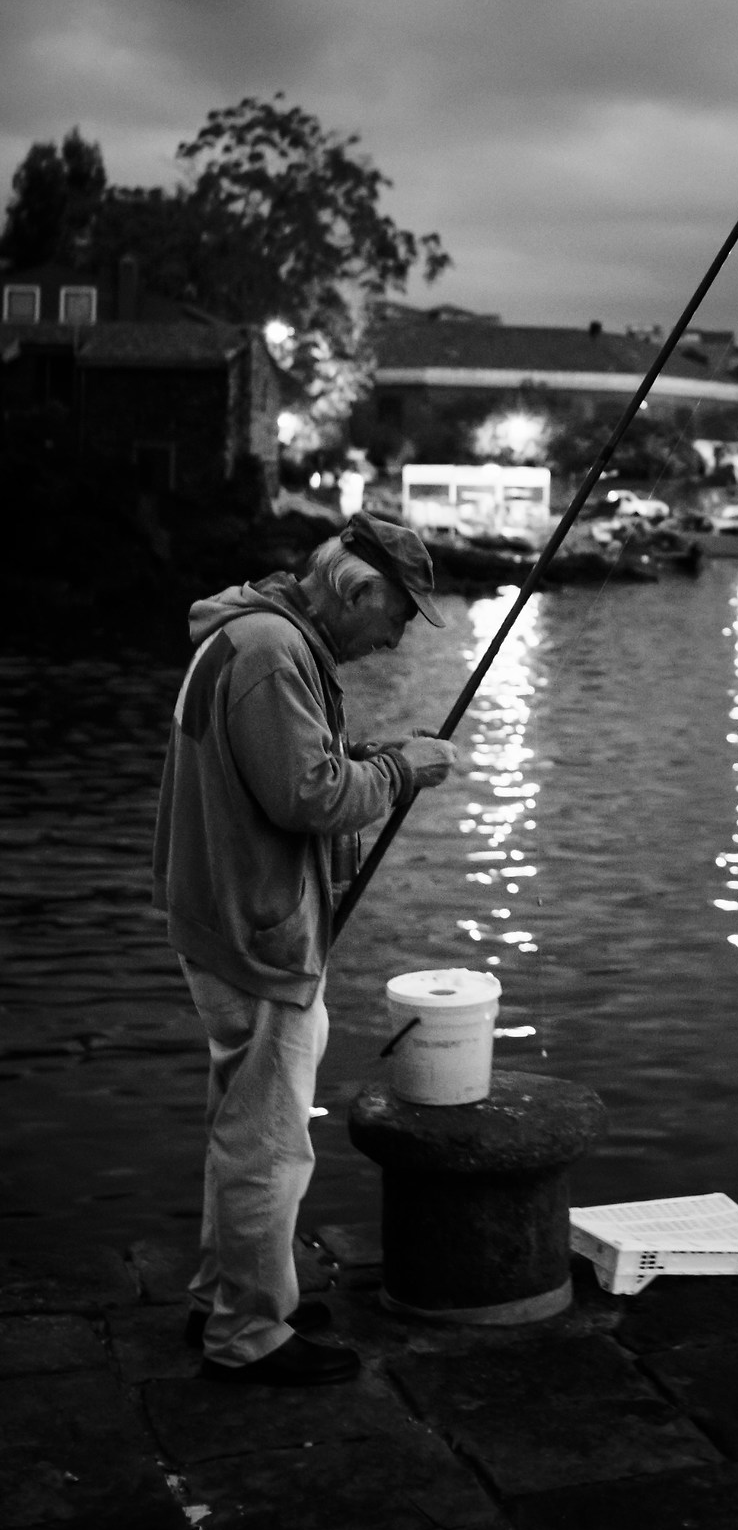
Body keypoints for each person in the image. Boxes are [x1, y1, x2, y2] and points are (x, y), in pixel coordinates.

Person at [152, 511, 457, 1386]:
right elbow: (308, 798)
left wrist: (368, 755)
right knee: (271, 1144)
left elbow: (284, 768)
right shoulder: (271, 652)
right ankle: (248, 1335)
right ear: (357, 591)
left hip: (226, 915)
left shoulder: (260, 636)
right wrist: (403, 771)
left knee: (242, 1125)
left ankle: (225, 1295)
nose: (398, 639)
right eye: (398, 616)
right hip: (253, 929)